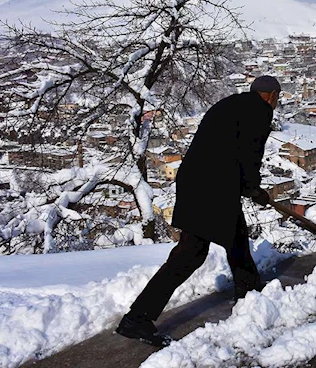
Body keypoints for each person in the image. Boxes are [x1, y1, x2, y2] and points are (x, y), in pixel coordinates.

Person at [116, 75, 281, 347]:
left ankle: (250, 290)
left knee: (236, 237)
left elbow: (227, 149)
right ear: (271, 95)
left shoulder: (232, 104)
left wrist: (247, 187)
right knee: (191, 253)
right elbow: (250, 154)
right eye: (277, 97)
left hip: (200, 182)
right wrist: (253, 187)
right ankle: (137, 318)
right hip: (211, 188)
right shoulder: (260, 111)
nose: (276, 102)